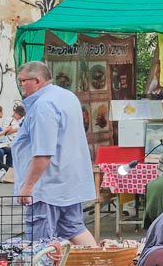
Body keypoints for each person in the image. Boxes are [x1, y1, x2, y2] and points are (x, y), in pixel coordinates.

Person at [12, 61, 98, 246]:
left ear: (37, 81)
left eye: (22, 81)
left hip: (47, 186)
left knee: (41, 242)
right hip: (68, 182)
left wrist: (28, 186)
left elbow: (43, 152)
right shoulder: (66, 96)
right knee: (74, 228)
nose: (20, 87)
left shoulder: (43, 105)